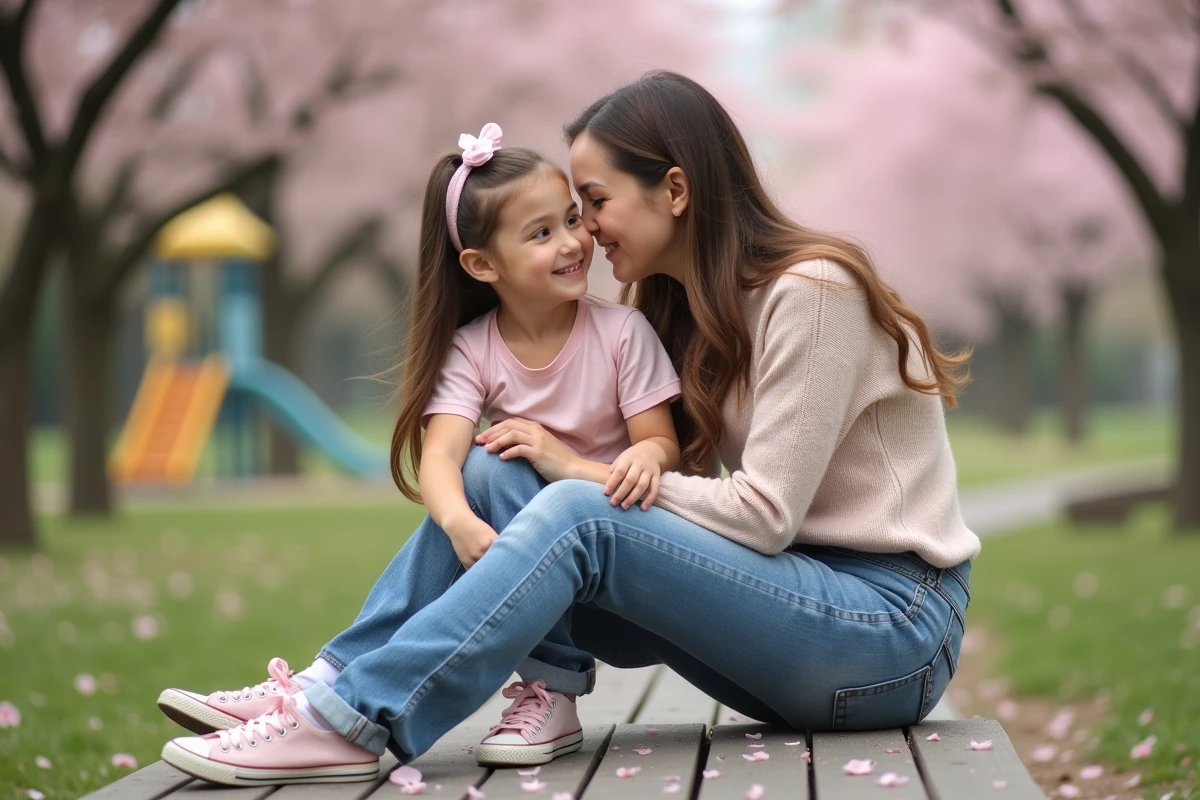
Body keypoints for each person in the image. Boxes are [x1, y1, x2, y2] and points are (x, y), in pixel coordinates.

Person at [161, 71, 982, 788]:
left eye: (593, 203)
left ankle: (348, 722)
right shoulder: (685, 313)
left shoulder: (813, 292)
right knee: (494, 474)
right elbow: (673, 503)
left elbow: (764, 517)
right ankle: (326, 684)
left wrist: (572, 468)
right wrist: (544, 465)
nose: (585, 233)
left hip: (891, 633)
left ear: (675, 189)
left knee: (573, 504)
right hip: (790, 625)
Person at [157, 123, 682, 782]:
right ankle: (331, 681)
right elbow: (439, 459)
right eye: (542, 233)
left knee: (500, 467)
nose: (576, 242)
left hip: (621, 558)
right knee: (479, 471)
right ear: (482, 266)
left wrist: (645, 458)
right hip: (536, 567)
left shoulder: (621, 333)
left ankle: (541, 684)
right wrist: (460, 523)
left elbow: (661, 443)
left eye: (572, 219)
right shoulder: (474, 349)